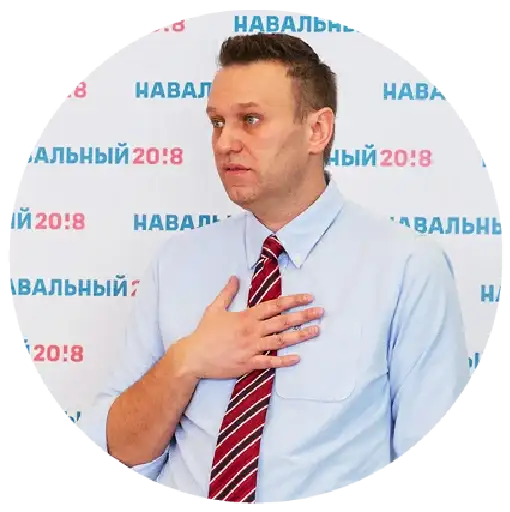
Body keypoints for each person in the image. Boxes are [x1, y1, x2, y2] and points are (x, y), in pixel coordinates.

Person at [80, 33, 471, 505]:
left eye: (250, 120)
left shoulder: (407, 268)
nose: (225, 143)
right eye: (217, 122)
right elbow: (118, 452)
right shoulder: (177, 262)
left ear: (317, 130)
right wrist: (187, 360)